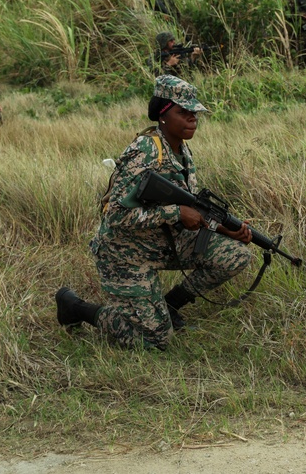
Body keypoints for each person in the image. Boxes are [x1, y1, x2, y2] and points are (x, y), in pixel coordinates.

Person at [56, 75, 252, 350]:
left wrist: (224, 228)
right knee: (153, 342)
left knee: (236, 255)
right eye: (183, 112)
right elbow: (115, 216)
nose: (192, 119)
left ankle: (168, 308)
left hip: (161, 242)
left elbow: (189, 209)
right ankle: (75, 307)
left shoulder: (182, 149)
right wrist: (175, 214)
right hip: (124, 254)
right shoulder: (145, 151)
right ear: (162, 114)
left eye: (194, 113)